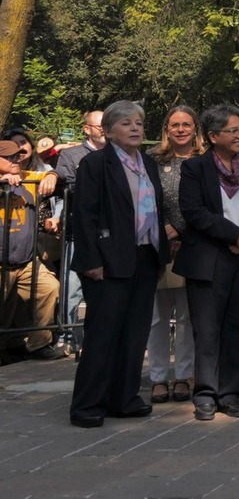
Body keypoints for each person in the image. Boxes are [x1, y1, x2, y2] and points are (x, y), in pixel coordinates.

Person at [174, 104, 239, 421]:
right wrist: (234, 236)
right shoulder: (195, 168)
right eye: (233, 130)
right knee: (207, 329)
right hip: (210, 257)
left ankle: (230, 393)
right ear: (212, 135)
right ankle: (205, 394)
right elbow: (193, 212)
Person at [68, 101, 169, 427]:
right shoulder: (96, 163)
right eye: (126, 123)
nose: (136, 128)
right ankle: (86, 405)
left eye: (139, 122)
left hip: (143, 256)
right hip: (107, 260)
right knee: (102, 334)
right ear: (108, 131)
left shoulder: (148, 164)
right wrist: (91, 260)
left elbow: (156, 210)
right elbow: (83, 215)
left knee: (134, 333)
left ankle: (123, 398)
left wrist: (160, 253)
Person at [147, 106, 203, 404]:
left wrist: (180, 230)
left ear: (196, 128)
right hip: (157, 245)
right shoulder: (153, 160)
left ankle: (182, 376)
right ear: (166, 129)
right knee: (156, 317)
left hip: (193, 245)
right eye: (174, 125)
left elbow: (206, 204)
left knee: (186, 317)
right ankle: (157, 378)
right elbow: (145, 200)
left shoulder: (205, 160)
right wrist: (161, 231)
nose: (180, 129)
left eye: (186, 124)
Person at [0, 140, 64, 361]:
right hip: (2, 261)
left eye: (17, 156)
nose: (15, 160)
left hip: (26, 261)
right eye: (8, 157)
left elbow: (55, 173)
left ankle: (38, 344)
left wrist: (52, 176)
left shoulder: (28, 179)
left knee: (49, 288)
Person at [53, 109, 104, 351]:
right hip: (79, 232)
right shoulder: (72, 155)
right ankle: (68, 337)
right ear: (88, 129)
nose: (105, 130)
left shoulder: (119, 154)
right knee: (72, 288)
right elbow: (66, 181)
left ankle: (99, 337)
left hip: (111, 234)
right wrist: (51, 174)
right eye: (100, 126)